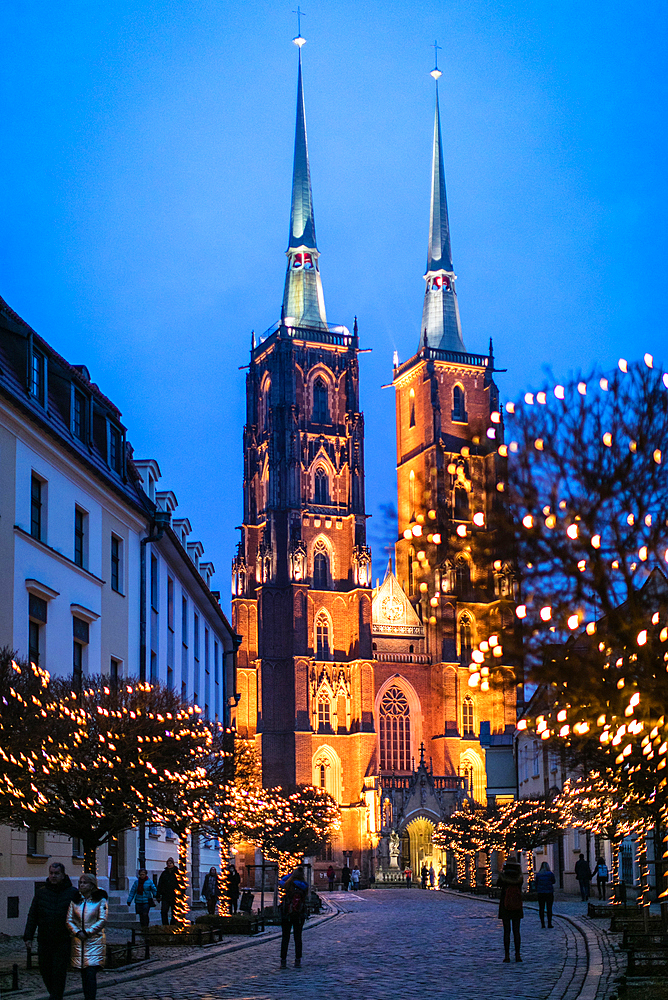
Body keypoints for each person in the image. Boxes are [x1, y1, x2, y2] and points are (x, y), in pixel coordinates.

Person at [23, 862, 78, 1000]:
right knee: (45, 970)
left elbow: (79, 915)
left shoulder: (72, 893)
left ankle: (55, 996)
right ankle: (54, 994)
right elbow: (33, 915)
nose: (53, 876)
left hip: (63, 939)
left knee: (59, 971)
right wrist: (28, 936)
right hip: (45, 939)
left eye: (56, 873)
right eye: (51, 873)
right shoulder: (41, 893)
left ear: (63, 875)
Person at [66, 874, 107, 1000]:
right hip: (79, 942)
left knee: (90, 973)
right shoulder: (75, 901)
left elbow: (102, 920)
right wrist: (77, 932)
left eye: (85, 883)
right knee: (83, 974)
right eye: (80, 883)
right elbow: (69, 919)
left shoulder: (100, 901)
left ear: (92, 885)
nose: (82, 885)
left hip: (94, 941)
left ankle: (90, 998)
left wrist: (88, 932)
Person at [279, 866, 308, 969]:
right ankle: (297, 960)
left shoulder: (288, 884)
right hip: (299, 914)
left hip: (287, 913)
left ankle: (283, 961)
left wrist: (290, 875)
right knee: (298, 937)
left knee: (285, 937)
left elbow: (281, 881)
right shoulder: (305, 885)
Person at [497, 853, 524, 963]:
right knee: (516, 931)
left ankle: (507, 955)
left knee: (507, 931)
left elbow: (498, 884)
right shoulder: (519, 877)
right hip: (517, 905)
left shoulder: (503, 876)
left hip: (505, 905)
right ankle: (518, 955)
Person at [156, 857, 179, 925]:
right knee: (164, 911)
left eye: (170, 863)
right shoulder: (164, 873)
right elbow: (160, 884)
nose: (169, 865)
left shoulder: (176, 873)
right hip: (165, 895)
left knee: (174, 911)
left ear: (173, 864)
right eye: (168, 863)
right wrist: (158, 894)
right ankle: (165, 925)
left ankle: (173, 924)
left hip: (174, 895)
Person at [535, 861, 556, 928]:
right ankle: (549, 923)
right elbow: (553, 881)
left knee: (541, 908)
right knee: (549, 908)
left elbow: (536, 883)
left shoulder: (538, 874)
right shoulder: (550, 874)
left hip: (541, 893)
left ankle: (543, 924)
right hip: (549, 892)